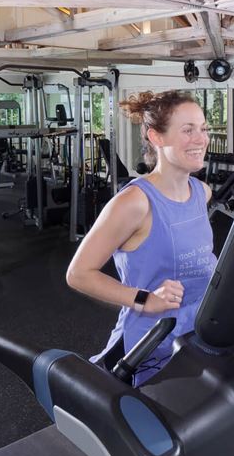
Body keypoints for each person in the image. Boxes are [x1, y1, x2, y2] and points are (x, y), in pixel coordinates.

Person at [66, 90, 216, 387]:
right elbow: (78, 274)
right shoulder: (135, 202)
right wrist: (143, 299)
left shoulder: (202, 192)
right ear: (156, 137)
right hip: (150, 343)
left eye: (203, 129)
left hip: (197, 334)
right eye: (188, 130)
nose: (201, 139)